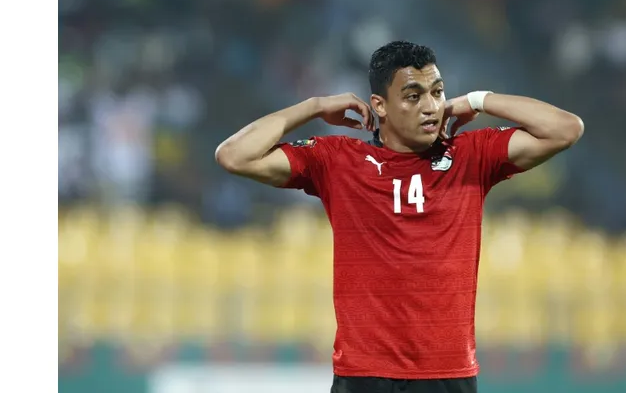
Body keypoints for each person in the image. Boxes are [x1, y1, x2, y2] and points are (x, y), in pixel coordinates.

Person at [215, 41, 584, 393]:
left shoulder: (471, 155)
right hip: (364, 376)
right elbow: (234, 155)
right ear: (380, 105)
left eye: (437, 92)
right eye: (413, 96)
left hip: (446, 376)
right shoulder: (338, 161)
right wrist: (314, 106)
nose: (431, 107)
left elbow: (566, 129)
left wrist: (478, 99)